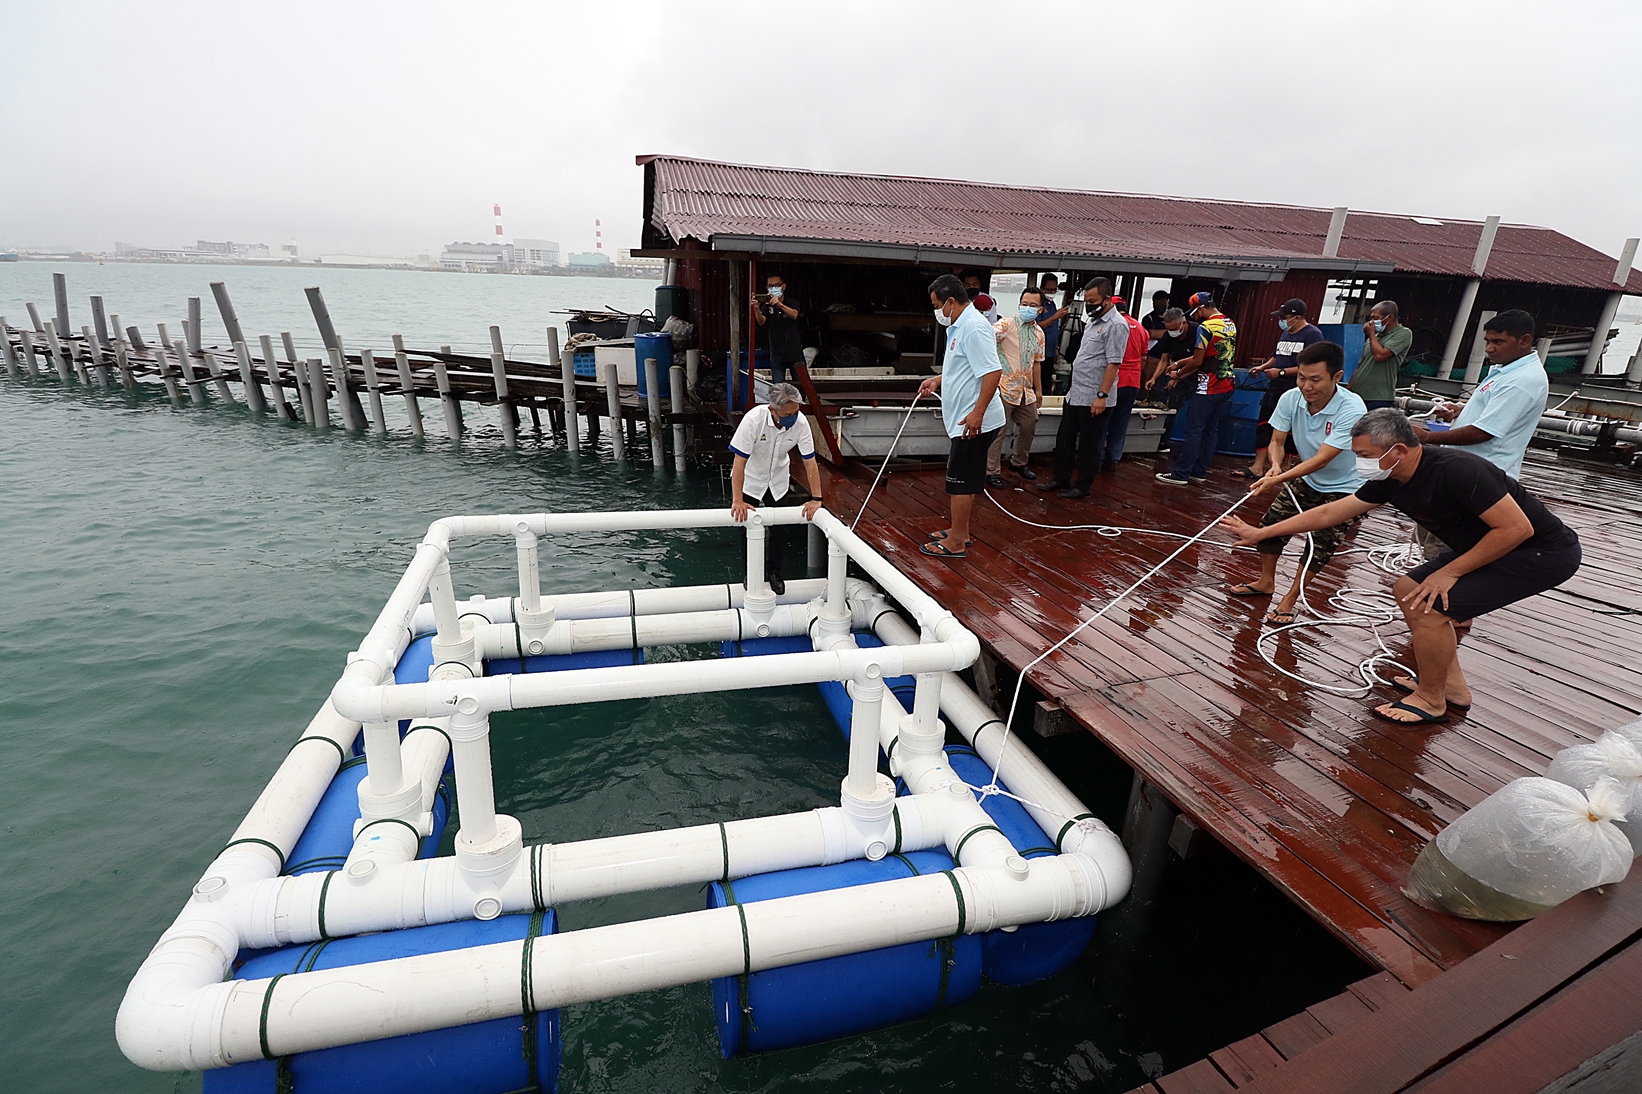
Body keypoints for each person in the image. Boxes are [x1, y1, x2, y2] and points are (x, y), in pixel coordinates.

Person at [1223, 408, 1581, 723]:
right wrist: (1262, 532)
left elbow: (1517, 528)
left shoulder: (1459, 470)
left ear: (1397, 451)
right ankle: (1450, 687)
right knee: (1408, 590)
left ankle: (1431, 700)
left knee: (1430, 609)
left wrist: (1450, 571)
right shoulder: (1390, 478)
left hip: (1540, 553)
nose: (1360, 462)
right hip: (1491, 545)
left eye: (1365, 455)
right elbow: (1332, 512)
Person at [1224, 342, 1367, 627]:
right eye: (1302, 377)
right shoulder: (1291, 398)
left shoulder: (1352, 409)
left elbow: (1323, 459)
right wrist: (1275, 465)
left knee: (1321, 543)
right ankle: (1266, 582)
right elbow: (1277, 440)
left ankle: (1290, 599)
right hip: (1306, 476)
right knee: (1270, 526)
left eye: (1316, 379)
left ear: (1337, 377)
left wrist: (1278, 477)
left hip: (1348, 485)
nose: (1306, 385)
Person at [1410, 309, 1549, 563]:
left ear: (1525, 341)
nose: (1490, 348)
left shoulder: (1521, 380)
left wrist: (1427, 438)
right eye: (1488, 341)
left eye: (1499, 342)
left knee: (1445, 553)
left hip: (1480, 479)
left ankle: (1438, 599)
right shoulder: (1505, 370)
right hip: (1462, 472)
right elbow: (1493, 413)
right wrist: (1461, 411)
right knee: (1432, 541)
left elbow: (1485, 432)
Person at [915, 274, 1006, 558]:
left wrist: (977, 414)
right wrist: (938, 380)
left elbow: (993, 372)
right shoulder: (958, 325)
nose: (937, 312)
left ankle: (955, 541)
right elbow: (964, 365)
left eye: (936, 305)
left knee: (960, 480)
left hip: (972, 421)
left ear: (951, 302)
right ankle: (961, 530)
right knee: (965, 478)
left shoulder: (975, 327)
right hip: (962, 419)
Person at [728, 382, 826, 595]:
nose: (793, 416)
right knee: (745, 526)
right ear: (772, 409)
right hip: (751, 478)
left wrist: (816, 498)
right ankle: (751, 572)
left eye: (796, 411)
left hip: (779, 478)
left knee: (780, 530)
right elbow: (739, 463)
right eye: (788, 413)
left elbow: (810, 462)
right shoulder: (754, 420)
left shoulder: (800, 422)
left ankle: (774, 572)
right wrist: (737, 500)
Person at [1039, 277, 1126, 499]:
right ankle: (1061, 478)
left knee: (1089, 443)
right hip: (1076, 392)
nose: (1089, 305)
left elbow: (1113, 363)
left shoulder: (1116, 325)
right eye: (1086, 300)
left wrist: (1102, 395)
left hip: (1094, 395)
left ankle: (1083, 484)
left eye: (1093, 300)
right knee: (1065, 437)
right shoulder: (1093, 322)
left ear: (1107, 299)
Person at [1155, 292, 1238, 486]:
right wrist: (1179, 363)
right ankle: (1199, 471)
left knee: (1194, 430)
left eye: (1195, 312)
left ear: (1201, 308)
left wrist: (1179, 374)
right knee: (1211, 430)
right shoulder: (1229, 323)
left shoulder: (1205, 327)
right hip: (1227, 383)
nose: (1194, 316)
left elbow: (1198, 360)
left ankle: (1181, 473)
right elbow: (1210, 354)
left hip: (1207, 386)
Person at [1245, 299, 1324, 479]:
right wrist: (1262, 368)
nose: (1281, 321)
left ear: (1297, 317)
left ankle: (1283, 466)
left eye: (1284, 317)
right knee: (1265, 425)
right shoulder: (1286, 334)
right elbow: (1276, 357)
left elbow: (1312, 367)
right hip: (1275, 388)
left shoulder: (1312, 335)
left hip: (1294, 388)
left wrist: (1281, 372)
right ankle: (1258, 466)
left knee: (1290, 430)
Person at [986, 286, 1045, 484]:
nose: (1027, 308)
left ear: (1041, 309)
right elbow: (985, 338)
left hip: (1025, 390)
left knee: (1030, 423)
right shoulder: (1006, 324)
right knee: (998, 429)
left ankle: (1018, 462)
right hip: (1003, 386)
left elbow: (1037, 362)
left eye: (1033, 305)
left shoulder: (1039, 333)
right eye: (1024, 304)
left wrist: (1039, 390)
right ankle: (991, 471)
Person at [1092, 295, 1149, 471]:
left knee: (1103, 422)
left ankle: (1097, 458)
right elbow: (1144, 358)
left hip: (1115, 381)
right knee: (1121, 422)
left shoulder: (1115, 325)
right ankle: (1113, 458)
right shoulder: (1141, 328)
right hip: (1133, 382)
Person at [1346, 300, 1413, 411]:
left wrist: (1371, 334)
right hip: (1358, 396)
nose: (1372, 322)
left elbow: (1380, 355)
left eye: (1375, 318)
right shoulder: (1374, 338)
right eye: (1371, 318)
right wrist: (1348, 391)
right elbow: (1361, 365)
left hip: (1378, 397)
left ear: (1389, 317)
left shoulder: (1403, 333)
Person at [753, 273, 805, 383]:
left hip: (795, 353)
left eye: (776, 285)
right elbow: (761, 321)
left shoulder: (792, 302)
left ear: (783, 287)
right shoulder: (767, 306)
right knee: (778, 388)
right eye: (770, 286)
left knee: (801, 386)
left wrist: (779, 305)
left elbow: (794, 315)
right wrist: (757, 309)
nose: (773, 288)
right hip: (777, 354)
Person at [1142, 306, 1196, 407]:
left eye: (1174, 329)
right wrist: (1153, 378)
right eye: (1168, 329)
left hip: (1195, 375)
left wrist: (1179, 376)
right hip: (1175, 372)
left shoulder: (1197, 331)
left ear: (1183, 323)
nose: (1171, 332)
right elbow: (1164, 360)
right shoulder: (1168, 336)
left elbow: (1198, 360)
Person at [1036, 274, 1069, 393]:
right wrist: (1055, 317)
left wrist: (1056, 348)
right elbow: (1036, 326)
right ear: (1042, 288)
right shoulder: (1038, 304)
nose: (1052, 293)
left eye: (1054, 290)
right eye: (1049, 290)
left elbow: (1053, 329)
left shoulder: (1052, 305)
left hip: (1050, 352)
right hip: (1038, 352)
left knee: (1046, 383)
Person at [1139, 289, 1172, 355]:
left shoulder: (1172, 317)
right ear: (1154, 304)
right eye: (1159, 304)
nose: (1161, 306)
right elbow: (1151, 334)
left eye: (1163, 304)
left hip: (1169, 353)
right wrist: (1171, 332)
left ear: (1168, 303)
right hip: (1152, 354)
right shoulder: (1148, 318)